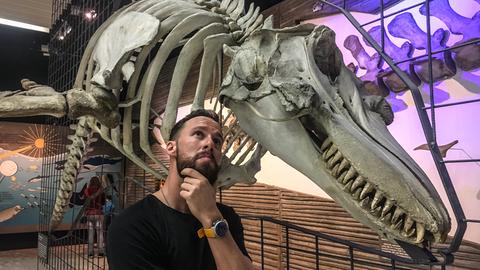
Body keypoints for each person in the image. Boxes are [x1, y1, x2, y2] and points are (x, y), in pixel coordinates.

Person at [107, 109, 254, 270]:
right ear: (171, 148)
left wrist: (210, 216)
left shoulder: (226, 218)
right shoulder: (132, 225)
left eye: (217, 141)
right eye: (198, 134)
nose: (210, 143)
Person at [84, 176, 106, 257]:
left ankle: (90, 252)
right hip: (99, 213)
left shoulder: (87, 190)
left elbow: (85, 202)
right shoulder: (101, 190)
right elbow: (103, 203)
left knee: (90, 233)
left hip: (89, 214)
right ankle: (100, 252)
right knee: (100, 233)